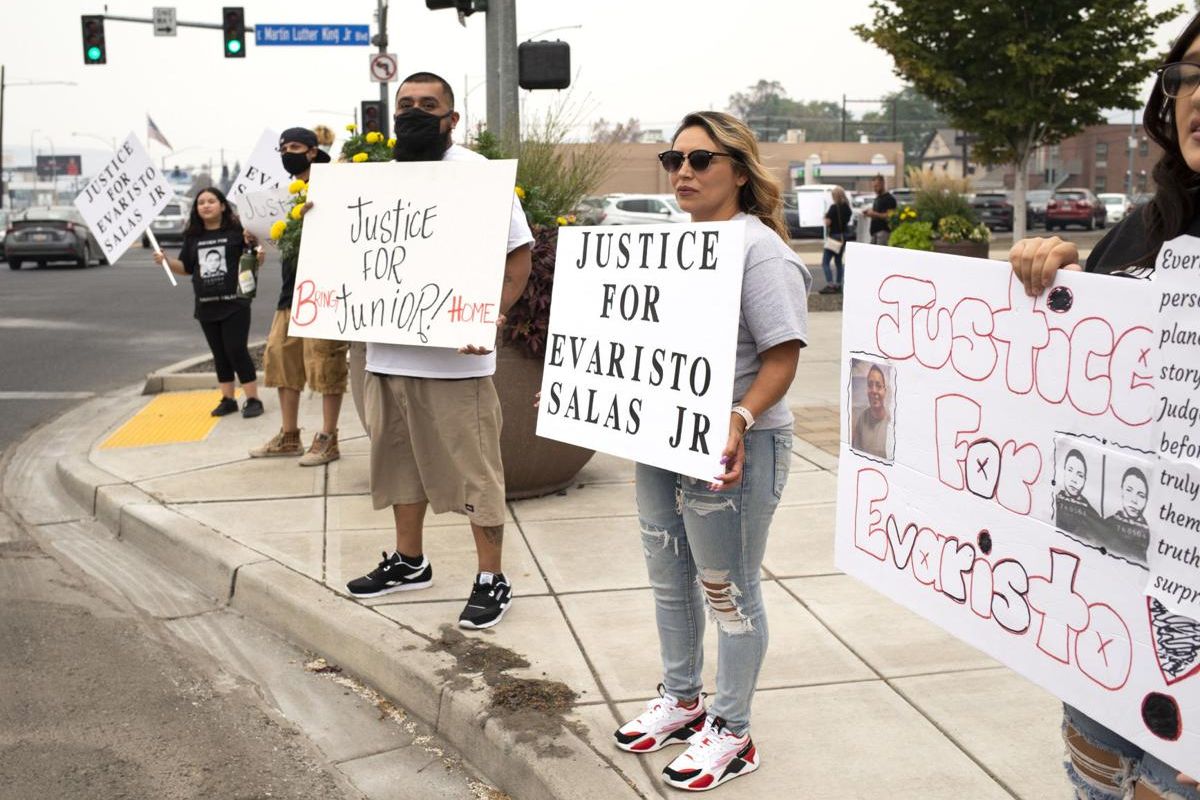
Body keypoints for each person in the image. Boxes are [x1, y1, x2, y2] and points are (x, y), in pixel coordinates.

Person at [1010, 12, 1200, 797]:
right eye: (1186, 76)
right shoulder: (1144, 231)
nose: (1197, 94)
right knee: (1096, 784)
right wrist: (1055, 282)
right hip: (1113, 626)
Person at [611, 111, 810, 793]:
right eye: (674, 160)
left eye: (701, 160)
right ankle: (683, 698)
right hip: (661, 437)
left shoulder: (760, 251)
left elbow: (783, 358)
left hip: (735, 447)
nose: (684, 173)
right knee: (669, 577)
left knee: (728, 590)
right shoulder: (675, 244)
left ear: (740, 171)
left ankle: (732, 729)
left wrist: (739, 418)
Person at [344, 72, 533, 631]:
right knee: (399, 467)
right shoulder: (374, 181)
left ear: (452, 119)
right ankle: (409, 561)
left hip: (456, 362)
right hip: (386, 358)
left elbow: (516, 261)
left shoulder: (476, 177)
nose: (414, 112)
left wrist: (492, 315)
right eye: (406, 104)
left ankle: (491, 577)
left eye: (429, 105)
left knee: (476, 475)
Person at [249, 127, 348, 467]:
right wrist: (257, 233)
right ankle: (289, 435)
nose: (287, 152)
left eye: (294, 146)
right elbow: (279, 241)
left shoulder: (331, 185)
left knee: (325, 362)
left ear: (311, 151)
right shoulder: (281, 194)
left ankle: (328, 437)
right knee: (280, 357)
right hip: (290, 291)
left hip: (325, 289)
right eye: (283, 148)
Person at [154, 187, 264, 418]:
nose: (205, 205)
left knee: (236, 350)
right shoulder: (193, 237)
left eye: (211, 201)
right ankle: (228, 399)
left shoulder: (238, 232)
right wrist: (166, 261)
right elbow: (185, 268)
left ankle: (253, 399)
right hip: (206, 305)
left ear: (222, 205)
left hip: (235, 304)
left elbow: (254, 260)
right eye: (201, 202)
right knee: (219, 353)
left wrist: (256, 250)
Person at [1104, 467, 1150, 563]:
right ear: (1122, 491)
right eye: (1129, 490)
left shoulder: (1150, 535)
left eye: (1141, 495)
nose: (1134, 500)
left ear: (1146, 499)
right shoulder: (1107, 523)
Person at [1054, 449, 1100, 537]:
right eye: (1070, 470)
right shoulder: (1052, 500)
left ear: (1084, 480)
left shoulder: (1091, 513)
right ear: (1063, 471)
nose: (1073, 479)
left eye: (1080, 475)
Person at [850, 364, 890, 459]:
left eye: (879, 386)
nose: (874, 391)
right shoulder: (862, 419)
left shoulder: (891, 422)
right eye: (870, 385)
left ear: (885, 391)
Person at [818, 187, 852, 294]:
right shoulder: (847, 208)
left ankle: (830, 285)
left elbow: (828, 223)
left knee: (825, 262)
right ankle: (838, 284)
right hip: (843, 237)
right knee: (838, 262)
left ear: (835, 196)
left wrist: (825, 218)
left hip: (834, 237)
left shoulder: (833, 208)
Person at [863, 174, 897, 246]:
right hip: (874, 232)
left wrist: (873, 213)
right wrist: (869, 213)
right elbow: (877, 213)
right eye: (873, 187)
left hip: (883, 232)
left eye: (876, 186)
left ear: (883, 184)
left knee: (880, 255)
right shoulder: (877, 198)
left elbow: (889, 216)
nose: (874, 189)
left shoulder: (889, 199)